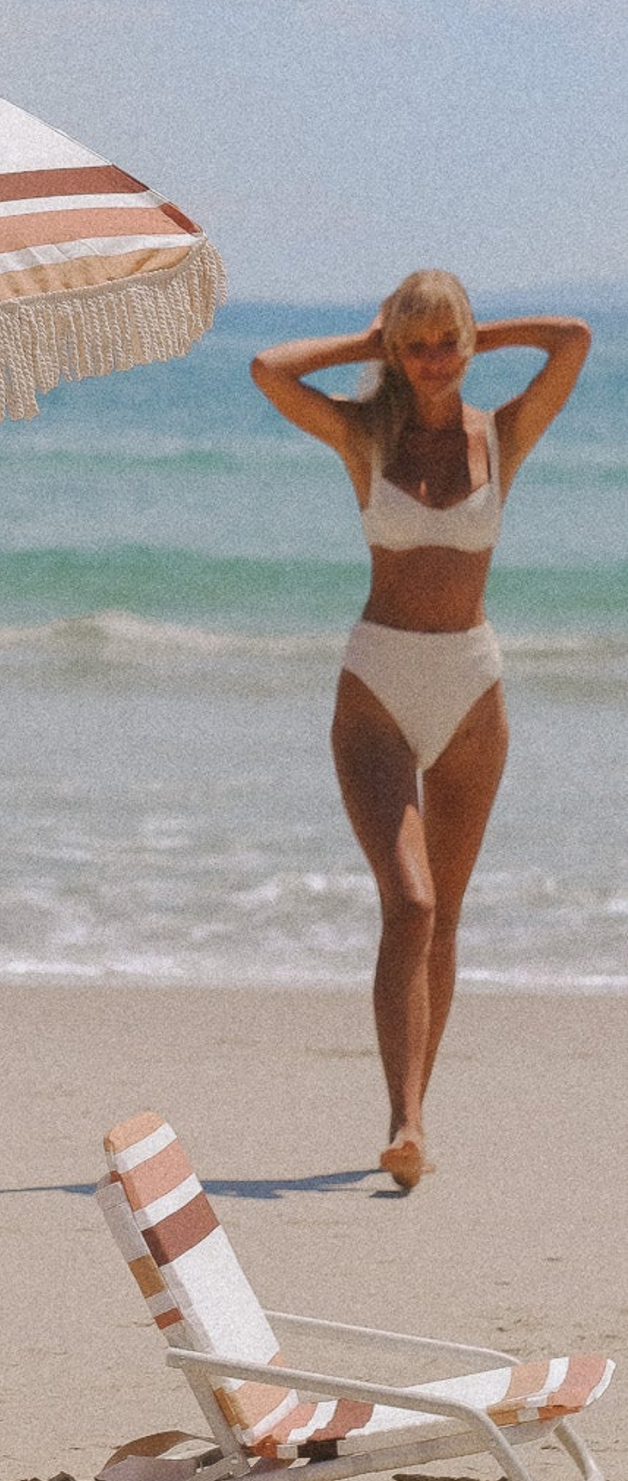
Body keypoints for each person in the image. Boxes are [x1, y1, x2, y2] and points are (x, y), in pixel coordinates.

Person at [251, 272, 589, 1190]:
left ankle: (416, 1124)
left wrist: (469, 327)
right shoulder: (364, 435)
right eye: (416, 345)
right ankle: (400, 1121)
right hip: (379, 689)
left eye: (449, 342)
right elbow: (268, 368)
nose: (434, 361)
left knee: (447, 918)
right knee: (412, 903)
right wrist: (369, 343)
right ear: (394, 352)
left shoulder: (501, 434)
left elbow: (571, 338)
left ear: (469, 345)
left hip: (472, 689)